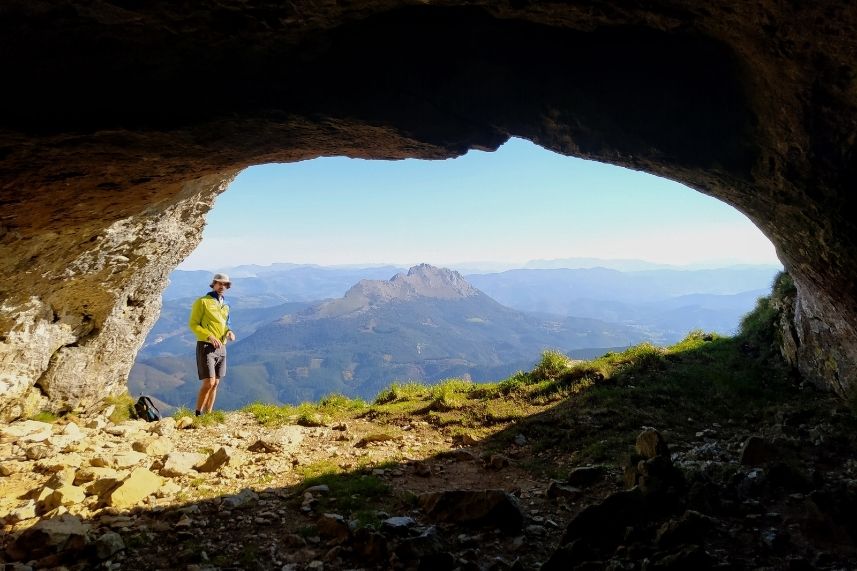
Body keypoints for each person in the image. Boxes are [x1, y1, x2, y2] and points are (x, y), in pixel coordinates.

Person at [188, 273, 236, 416]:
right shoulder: (202, 302)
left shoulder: (226, 305)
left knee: (215, 383)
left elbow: (226, 324)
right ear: (214, 284)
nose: (222, 286)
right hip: (206, 346)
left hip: (221, 347)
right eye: (219, 283)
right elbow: (193, 324)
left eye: (225, 284)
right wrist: (208, 336)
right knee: (209, 382)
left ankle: (209, 415)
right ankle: (197, 414)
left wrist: (229, 332)